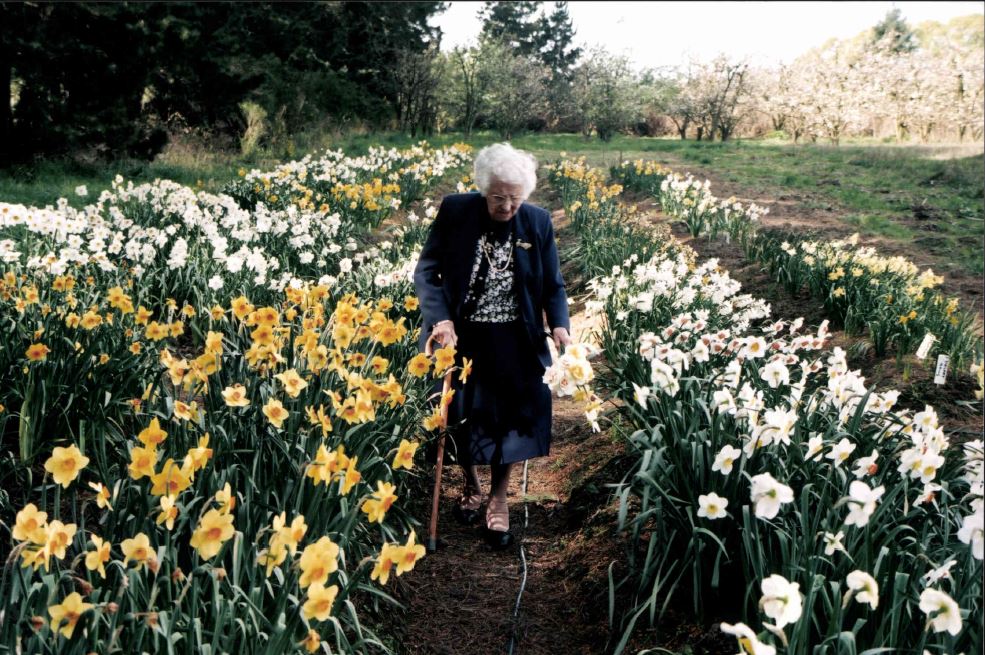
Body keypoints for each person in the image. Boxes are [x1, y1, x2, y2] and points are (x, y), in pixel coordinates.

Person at [413, 142, 571, 550]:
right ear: (484, 189)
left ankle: (499, 499)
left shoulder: (536, 222)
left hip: (515, 335)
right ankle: (470, 483)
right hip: (461, 332)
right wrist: (440, 319)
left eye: (515, 198)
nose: (507, 206)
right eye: (499, 197)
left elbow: (553, 284)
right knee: (459, 412)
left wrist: (559, 326)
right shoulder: (456, 211)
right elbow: (427, 270)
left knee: (513, 418)